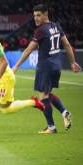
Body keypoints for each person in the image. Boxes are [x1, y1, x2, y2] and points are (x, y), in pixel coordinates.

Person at [12, 4, 82, 134]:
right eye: (34, 16)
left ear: (46, 14)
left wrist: (16, 66)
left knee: (43, 97)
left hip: (45, 67)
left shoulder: (41, 30)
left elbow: (28, 50)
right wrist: (72, 62)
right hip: (57, 66)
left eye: (38, 15)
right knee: (47, 94)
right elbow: (66, 44)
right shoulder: (56, 26)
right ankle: (64, 112)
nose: (36, 18)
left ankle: (51, 127)